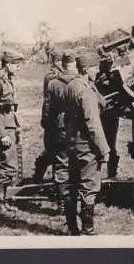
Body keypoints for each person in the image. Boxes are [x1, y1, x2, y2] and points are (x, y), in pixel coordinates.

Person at [62, 53, 110, 235]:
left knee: (73, 184)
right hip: (87, 146)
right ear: (86, 69)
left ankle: (73, 228)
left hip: (72, 143)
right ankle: (88, 230)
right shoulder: (86, 91)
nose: (97, 71)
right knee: (89, 187)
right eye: (95, 68)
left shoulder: (71, 87)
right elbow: (93, 125)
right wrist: (104, 150)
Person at [0, 49, 25, 217]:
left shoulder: (7, 80)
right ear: (7, 64)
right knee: (8, 166)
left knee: (3, 163)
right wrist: (2, 135)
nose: (18, 67)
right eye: (16, 64)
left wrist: (16, 126)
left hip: (10, 127)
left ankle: (1, 200)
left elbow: (9, 108)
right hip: (3, 130)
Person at [35, 51, 74, 215]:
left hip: (57, 125)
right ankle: (62, 201)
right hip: (58, 126)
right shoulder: (53, 78)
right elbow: (49, 105)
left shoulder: (55, 78)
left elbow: (47, 107)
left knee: (59, 159)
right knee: (59, 160)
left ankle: (63, 197)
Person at [33, 50, 64, 183]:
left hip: (54, 118)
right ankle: (44, 175)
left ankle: (53, 180)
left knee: (56, 150)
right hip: (52, 119)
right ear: (56, 62)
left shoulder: (56, 75)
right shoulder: (52, 77)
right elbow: (49, 101)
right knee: (53, 151)